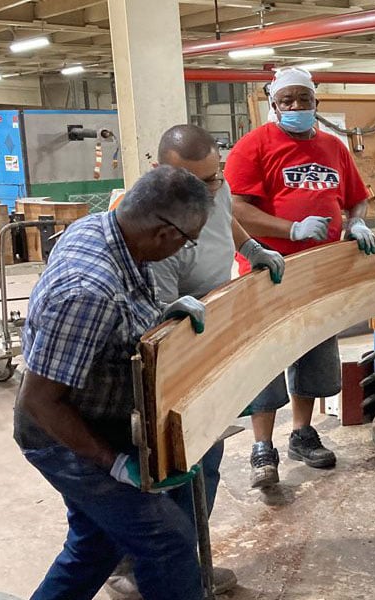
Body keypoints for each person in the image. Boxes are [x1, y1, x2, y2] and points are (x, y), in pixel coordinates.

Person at [101, 125, 287, 599]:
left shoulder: (213, 189)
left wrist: (251, 249)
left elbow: (226, 217)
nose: (211, 190)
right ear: (160, 172)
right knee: (169, 466)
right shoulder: (152, 226)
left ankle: (184, 559)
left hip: (209, 329)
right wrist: (175, 318)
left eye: (215, 178)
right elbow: (153, 325)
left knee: (208, 460)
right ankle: (141, 568)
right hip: (172, 345)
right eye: (199, 182)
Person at [14, 165, 214, 600]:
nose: (185, 250)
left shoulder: (111, 230)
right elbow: (40, 401)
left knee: (96, 544)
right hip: (60, 434)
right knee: (168, 541)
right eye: (188, 240)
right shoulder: (88, 288)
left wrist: (158, 317)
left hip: (90, 411)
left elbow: (112, 324)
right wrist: (113, 462)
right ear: (164, 232)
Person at [226, 67, 375, 489]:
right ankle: (262, 446)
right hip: (268, 272)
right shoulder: (253, 146)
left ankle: (302, 433)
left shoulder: (333, 147)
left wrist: (356, 224)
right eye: (286, 101)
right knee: (265, 359)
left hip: (319, 272)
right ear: (274, 105)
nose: (295, 107)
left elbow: (357, 199)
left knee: (311, 350)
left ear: (316, 102)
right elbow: (236, 210)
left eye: (303, 100)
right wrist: (289, 230)